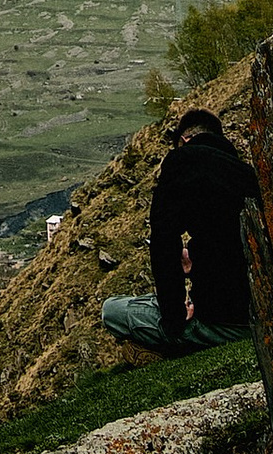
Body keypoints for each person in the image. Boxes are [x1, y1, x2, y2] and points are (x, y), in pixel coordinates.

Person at [97, 109, 260, 353]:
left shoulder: (181, 161)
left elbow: (164, 240)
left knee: (112, 310)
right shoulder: (246, 173)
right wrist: (194, 257)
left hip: (221, 320)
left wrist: (174, 316)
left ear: (183, 140)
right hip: (258, 312)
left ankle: (174, 344)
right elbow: (226, 240)